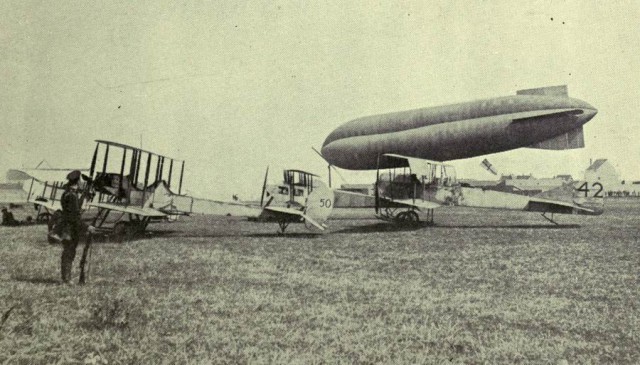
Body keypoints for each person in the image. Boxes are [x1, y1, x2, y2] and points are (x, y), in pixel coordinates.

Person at [58, 170, 94, 283]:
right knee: (69, 252)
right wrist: (87, 227)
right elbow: (74, 216)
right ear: (77, 181)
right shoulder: (72, 196)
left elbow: (75, 211)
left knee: (68, 252)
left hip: (67, 227)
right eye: (81, 180)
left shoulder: (68, 194)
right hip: (69, 229)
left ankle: (66, 278)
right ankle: (67, 279)